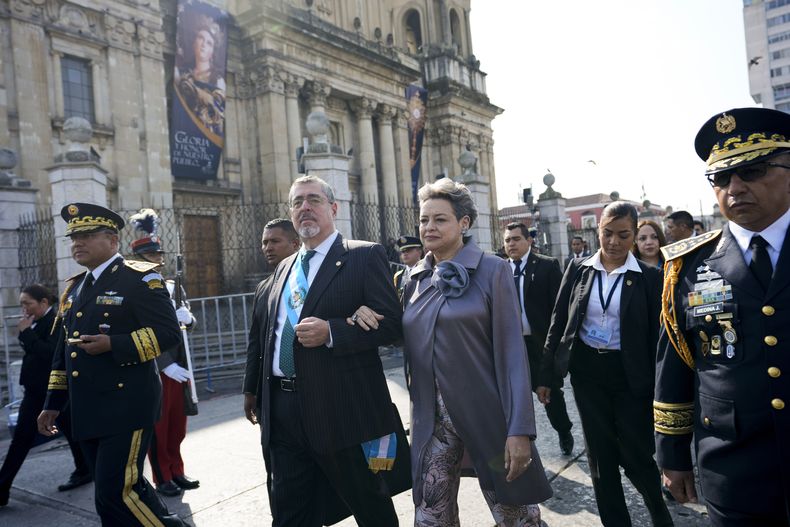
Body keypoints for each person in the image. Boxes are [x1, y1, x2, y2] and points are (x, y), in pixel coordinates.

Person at [655, 107, 790, 526]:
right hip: (733, 470)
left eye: (752, 170)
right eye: (721, 178)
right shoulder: (687, 266)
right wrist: (672, 454)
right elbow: (675, 364)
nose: (734, 187)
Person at [394, 179, 552, 526]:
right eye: (424, 220)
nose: (429, 227)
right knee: (431, 516)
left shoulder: (493, 270)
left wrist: (520, 430)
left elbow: (512, 354)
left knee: (515, 514)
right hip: (432, 420)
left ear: (464, 223)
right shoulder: (413, 279)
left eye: (440, 219)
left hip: (488, 416)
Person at [253, 176, 410, 526]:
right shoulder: (284, 268)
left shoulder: (363, 255)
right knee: (291, 510)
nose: (304, 207)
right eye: (297, 202)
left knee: (370, 505)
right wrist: (255, 391)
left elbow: (392, 326)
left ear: (333, 208)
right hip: (284, 408)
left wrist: (333, 331)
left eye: (313, 200)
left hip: (341, 406)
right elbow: (268, 336)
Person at [36, 203, 186, 526]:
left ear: (113, 241)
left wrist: (113, 344)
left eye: (87, 235)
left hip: (126, 404)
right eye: (74, 237)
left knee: (113, 496)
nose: (77, 243)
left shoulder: (140, 279)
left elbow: (168, 334)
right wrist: (53, 403)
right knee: (128, 489)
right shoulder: (76, 288)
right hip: (87, 408)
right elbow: (64, 352)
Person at [539, 201, 672, 526]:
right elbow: (559, 322)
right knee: (600, 457)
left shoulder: (650, 278)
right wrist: (546, 376)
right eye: (607, 233)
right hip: (588, 375)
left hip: (631, 376)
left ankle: (657, 509)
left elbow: (660, 336)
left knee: (635, 453)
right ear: (598, 230)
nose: (613, 242)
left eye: (623, 235)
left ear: (635, 234)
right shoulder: (579, 269)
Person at [128, 209, 200, 497]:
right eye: (152, 257)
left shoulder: (171, 286)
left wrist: (188, 318)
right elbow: (138, 330)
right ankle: (163, 477)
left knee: (177, 425)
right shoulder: (134, 289)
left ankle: (177, 470)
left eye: (159, 257)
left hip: (180, 364)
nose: (159, 261)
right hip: (156, 368)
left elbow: (188, 323)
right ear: (139, 260)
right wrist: (163, 364)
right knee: (159, 428)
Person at [0, 285, 91, 507]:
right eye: (22, 304)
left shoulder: (58, 321)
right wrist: (26, 332)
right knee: (23, 437)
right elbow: (32, 350)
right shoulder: (35, 321)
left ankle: (85, 470)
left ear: (43, 303)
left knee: (71, 431)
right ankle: (2, 488)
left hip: (53, 389)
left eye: (28, 303)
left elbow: (50, 353)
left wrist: (26, 332)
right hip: (36, 390)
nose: (24, 308)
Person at [503, 222, 574, 456]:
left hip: (541, 344)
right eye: (507, 240)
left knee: (549, 394)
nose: (511, 244)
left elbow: (560, 307)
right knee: (514, 397)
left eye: (516, 239)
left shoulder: (546, 266)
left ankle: (564, 431)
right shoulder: (500, 270)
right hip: (513, 346)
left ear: (528, 241)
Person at [242, 218, 299, 426]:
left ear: (295, 244)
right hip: (274, 395)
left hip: (311, 391)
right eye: (265, 243)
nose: (268, 248)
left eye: (275, 241)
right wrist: (250, 389)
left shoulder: (311, 280)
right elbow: (255, 342)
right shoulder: (263, 288)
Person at [175, 16, 226, 135]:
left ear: (212, 52)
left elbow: (219, 113)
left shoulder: (218, 80)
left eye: (209, 43)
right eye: (200, 38)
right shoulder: (181, 72)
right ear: (194, 43)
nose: (203, 44)